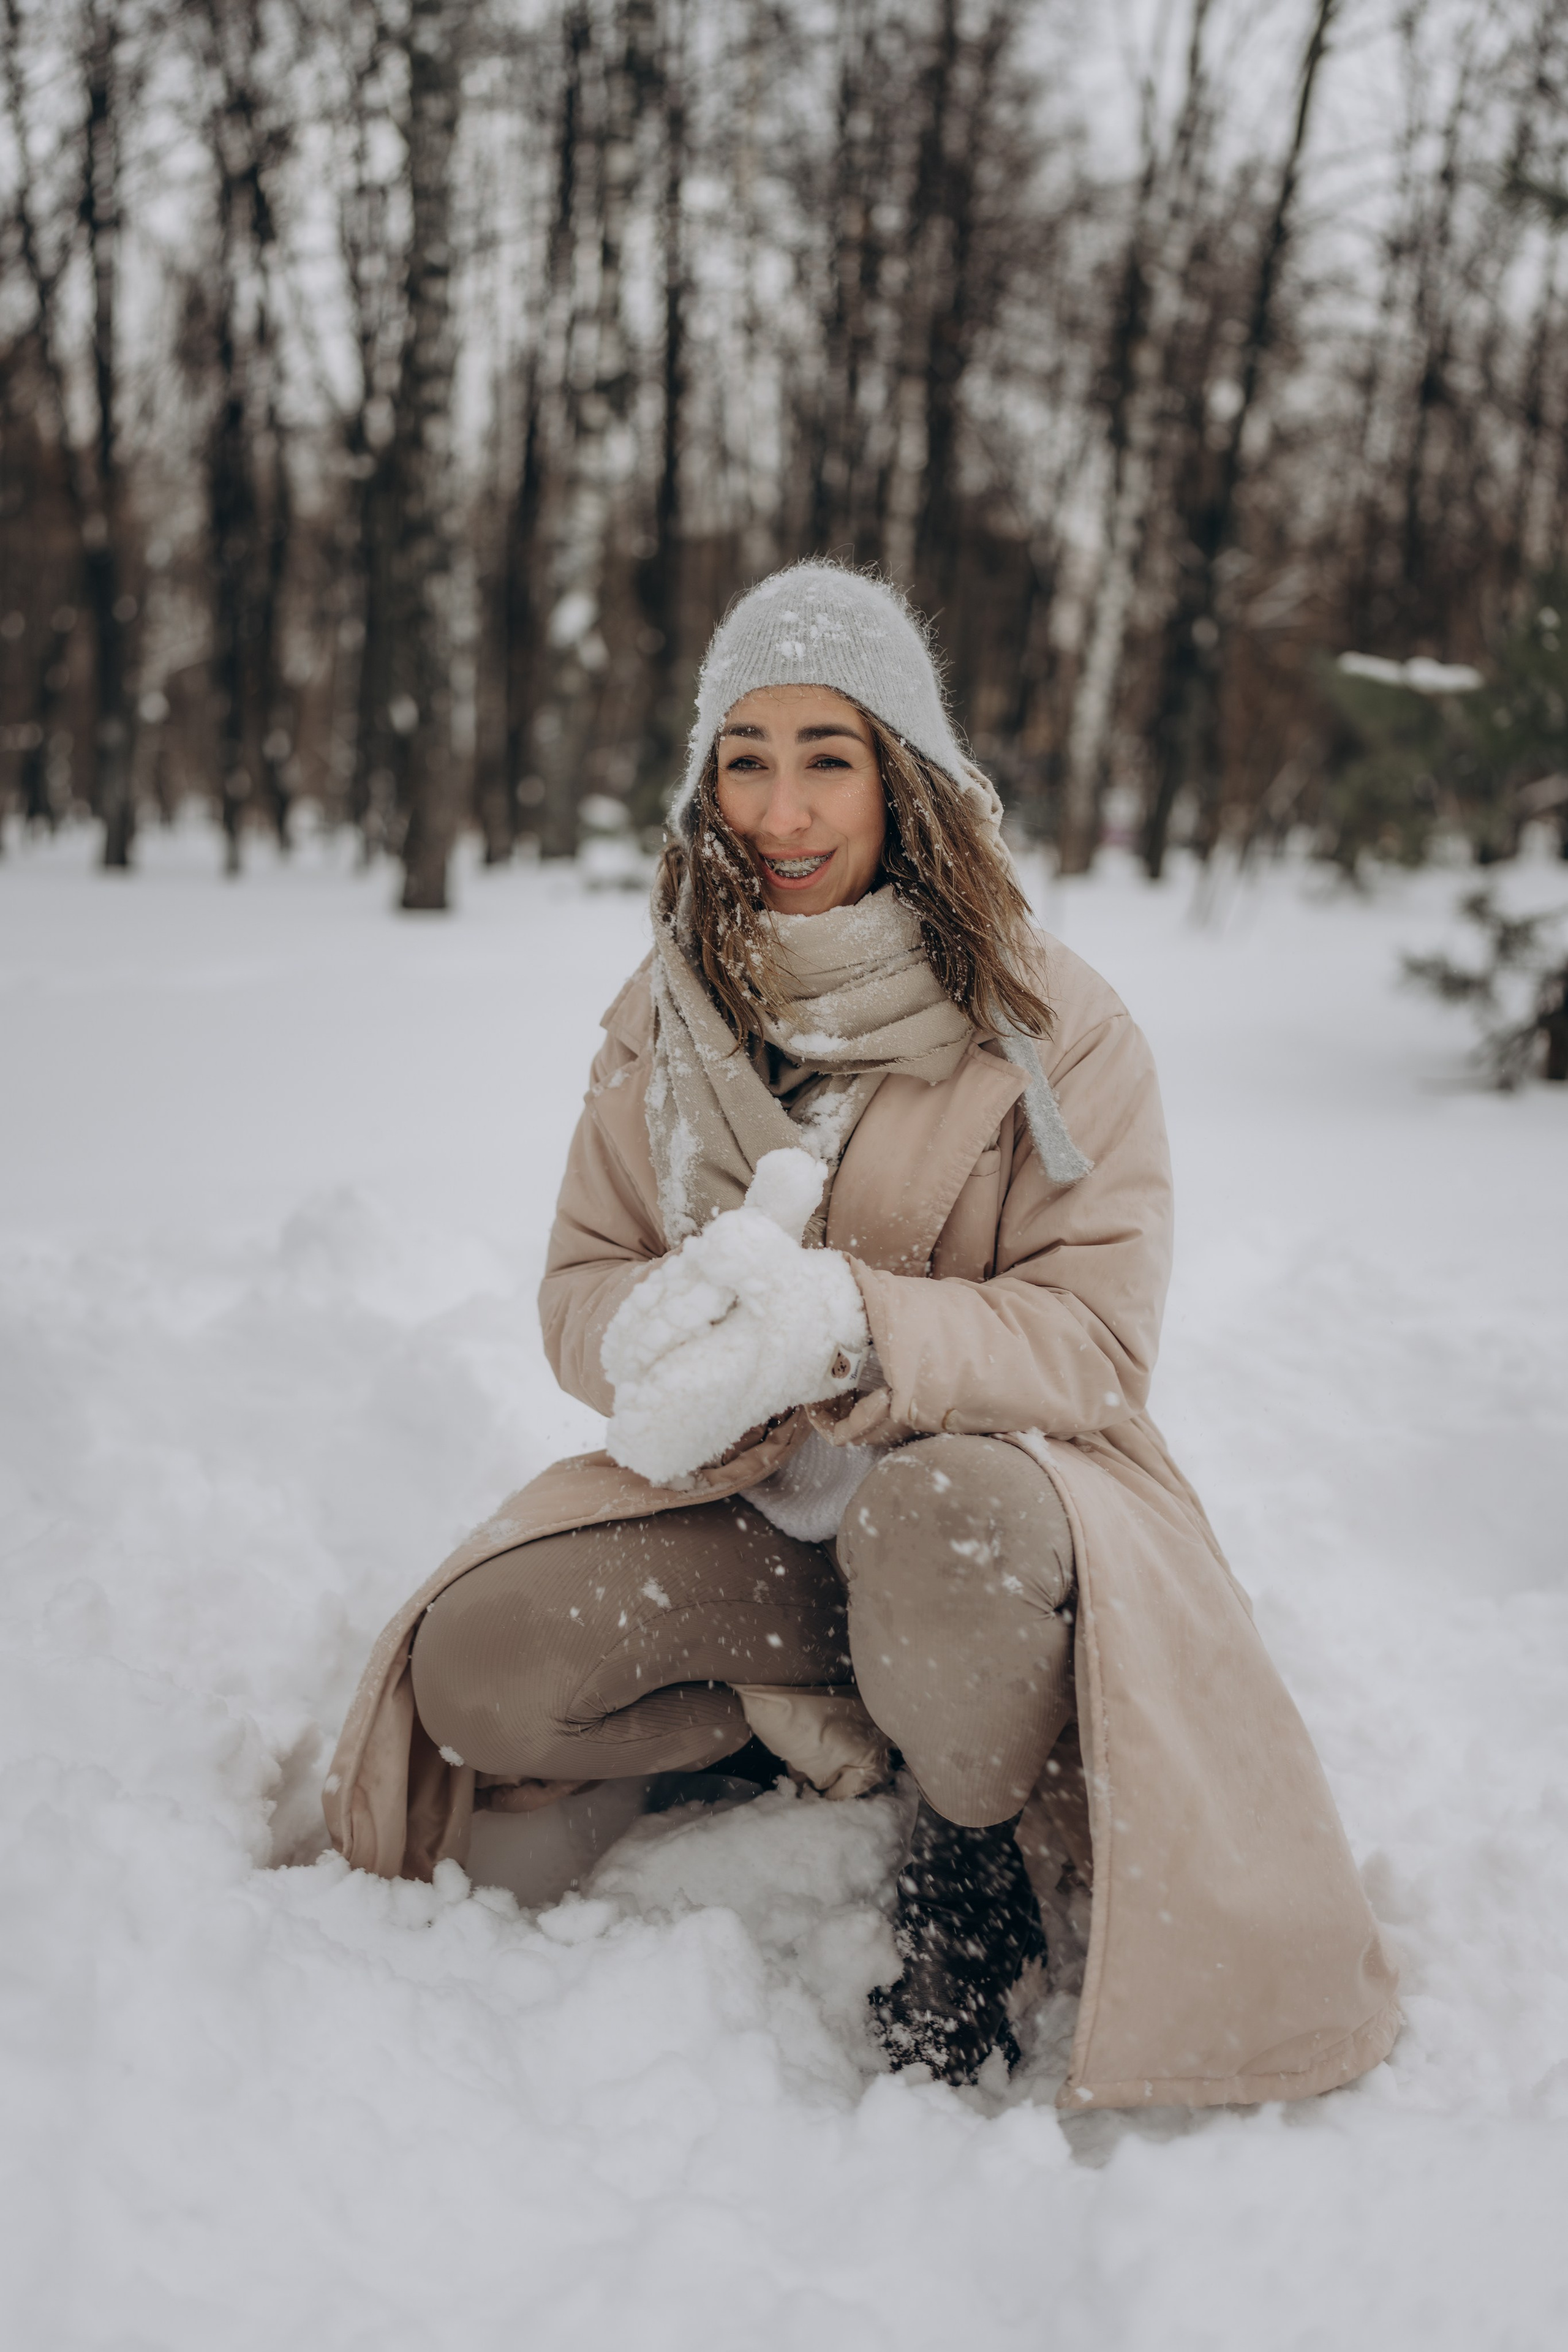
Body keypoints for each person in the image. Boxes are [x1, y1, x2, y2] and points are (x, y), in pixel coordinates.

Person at [325, 563, 1400, 2106]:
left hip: (988, 1514)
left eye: (826, 756)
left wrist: (842, 1327)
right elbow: (580, 1280)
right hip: (741, 1511)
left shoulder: (1052, 1025)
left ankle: (965, 1850)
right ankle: (834, 1716)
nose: (781, 808)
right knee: (479, 1668)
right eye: (743, 759)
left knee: (935, 1512)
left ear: (903, 774)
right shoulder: (666, 1009)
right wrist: (668, 1329)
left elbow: (1091, 1339)